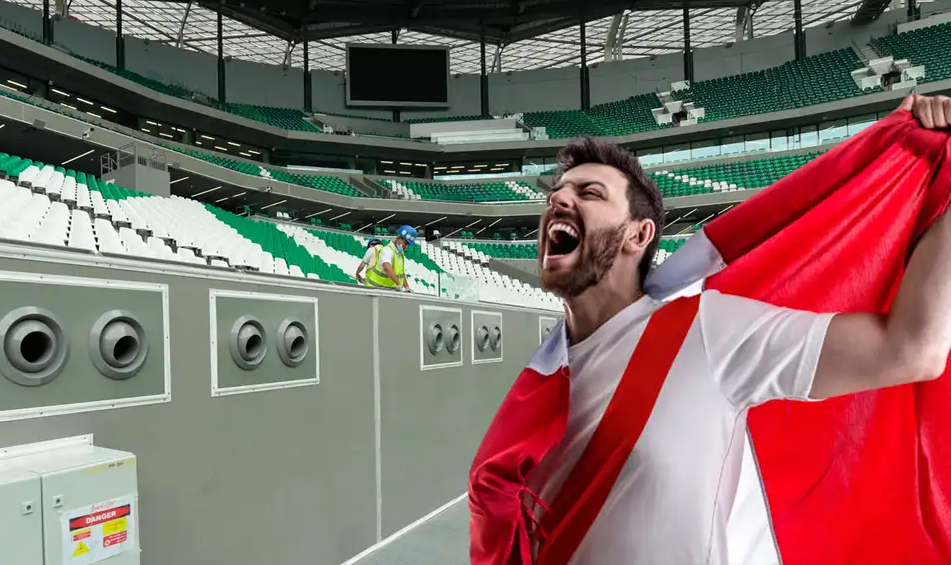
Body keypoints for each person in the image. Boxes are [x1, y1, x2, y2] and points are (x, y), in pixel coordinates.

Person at [468, 94, 951, 565]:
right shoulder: (541, 386)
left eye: (589, 193)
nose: (560, 202)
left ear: (639, 234)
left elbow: (912, 350)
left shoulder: (707, 330)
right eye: (555, 196)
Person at [362, 225, 417, 292]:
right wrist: (398, 284)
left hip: (387, 290)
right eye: (405, 243)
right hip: (375, 290)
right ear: (399, 238)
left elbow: (401, 274)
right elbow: (387, 267)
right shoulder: (387, 250)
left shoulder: (400, 254)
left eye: (408, 244)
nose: (406, 247)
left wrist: (407, 287)